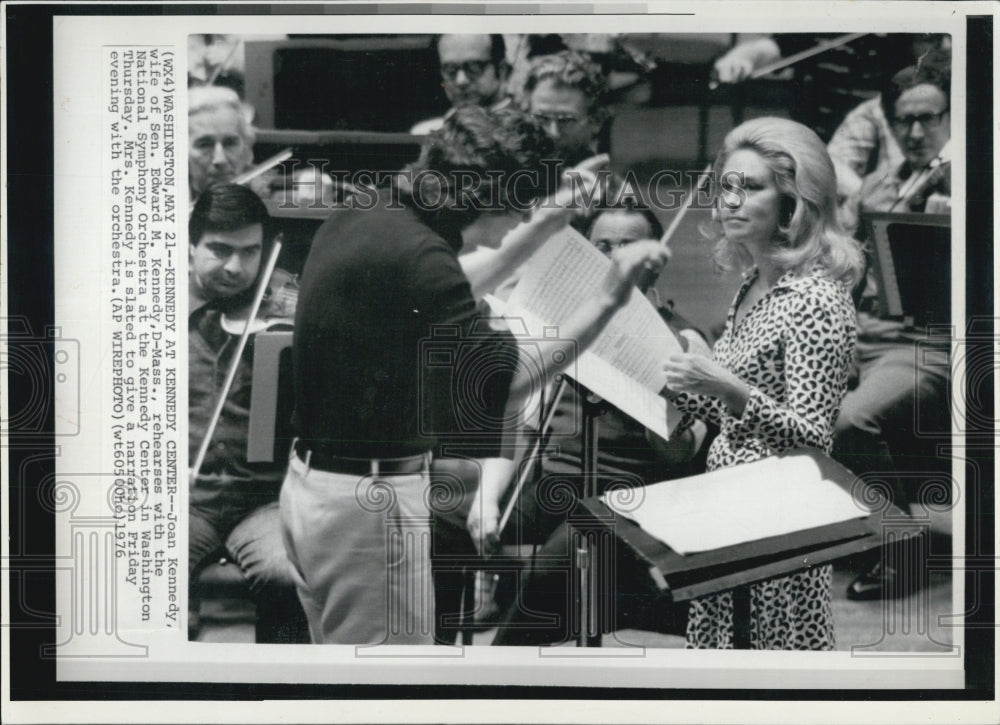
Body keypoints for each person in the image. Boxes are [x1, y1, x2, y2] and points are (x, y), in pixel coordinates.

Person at [279, 106, 670, 645]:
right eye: (519, 206)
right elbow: (508, 383)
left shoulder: (371, 215)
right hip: (367, 510)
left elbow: (447, 283)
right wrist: (609, 297)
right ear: (484, 195)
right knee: (388, 693)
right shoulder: (420, 258)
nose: (519, 219)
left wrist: (543, 226)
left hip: (316, 493)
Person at [660, 117, 864, 649]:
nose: (729, 200)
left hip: (779, 522)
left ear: (793, 204)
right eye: (725, 186)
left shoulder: (816, 299)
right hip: (729, 510)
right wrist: (685, 379)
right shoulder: (755, 282)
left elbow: (815, 441)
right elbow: (739, 409)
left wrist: (724, 385)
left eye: (748, 187)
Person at [489, 203, 713, 647]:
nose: (614, 258)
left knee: (568, 550)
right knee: (444, 522)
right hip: (553, 482)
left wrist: (658, 399)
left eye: (628, 246)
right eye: (602, 247)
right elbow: (526, 423)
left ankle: (501, 670)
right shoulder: (568, 329)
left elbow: (683, 455)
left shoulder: (685, 340)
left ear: (657, 255)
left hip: (628, 498)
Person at [835, 50, 952, 600]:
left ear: (952, 120)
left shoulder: (975, 184)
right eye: (905, 119)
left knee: (852, 420)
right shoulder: (881, 185)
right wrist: (860, 222)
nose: (917, 130)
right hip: (863, 334)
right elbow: (848, 280)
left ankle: (901, 547)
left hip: (927, 339)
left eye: (930, 117)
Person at [188, 183, 307, 643]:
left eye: (250, 252)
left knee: (284, 573)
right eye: (219, 250)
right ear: (191, 246)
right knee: (150, 568)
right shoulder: (155, 311)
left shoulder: (284, 313)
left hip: (263, 501)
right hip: (185, 502)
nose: (236, 268)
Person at [410, 34, 511, 135]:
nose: (461, 81)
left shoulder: (522, 132)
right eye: (450, 69)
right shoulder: (427, 132)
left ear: (502, 70)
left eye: (474, 67)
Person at [524, 49, 608, 167]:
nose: (553, 133)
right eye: (541, 118)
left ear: (596, 121)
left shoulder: (608, 182)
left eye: (565, 120)